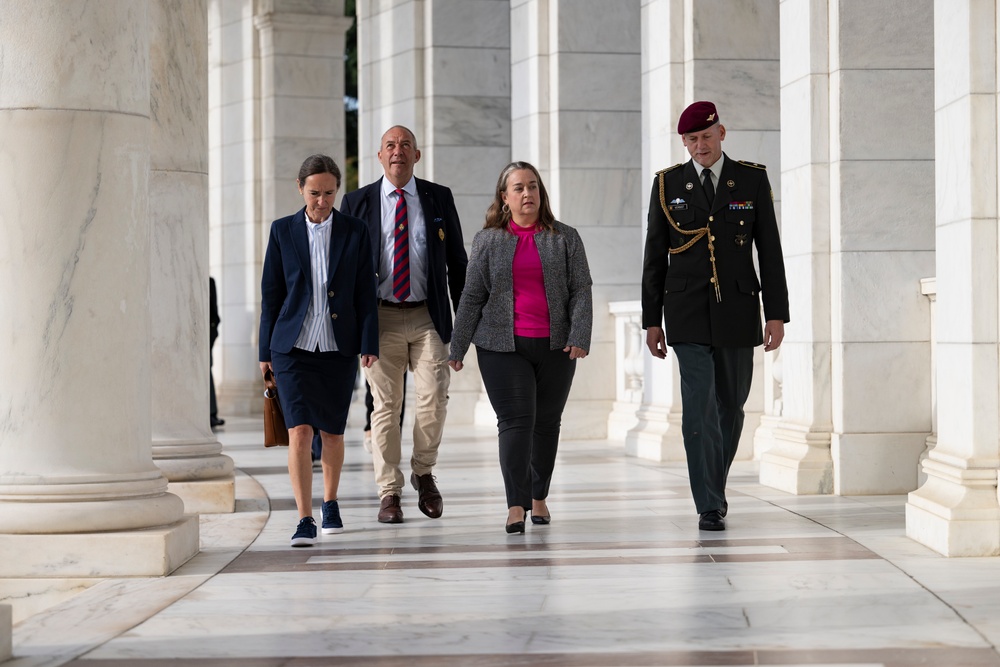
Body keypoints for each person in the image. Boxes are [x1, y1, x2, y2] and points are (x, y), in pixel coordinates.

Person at [641, 101, 789, 532]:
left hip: (739, 309)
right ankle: (708, 503)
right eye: (691, 140)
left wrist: (776, 312)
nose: (700, 146)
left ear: (721, 133)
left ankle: (714, 486)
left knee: (732, 406)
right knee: (698, 406)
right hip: (685, 311)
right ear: (683, 142)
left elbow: (770, 250)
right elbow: (654, 256)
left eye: (706, 137)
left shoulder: (751, 179)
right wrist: (652, 320)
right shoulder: (668, 184)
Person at [449, 161, 593, 534]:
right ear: (505, 197)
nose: (527, 193)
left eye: (533, 186)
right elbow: (472, 296)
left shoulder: (565, 237)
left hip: (556, 346)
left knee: (546, 424)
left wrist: (580, 334)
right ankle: (516, 504)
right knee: (515, 423)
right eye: (518, 188)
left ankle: (538, 496)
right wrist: (458, 346)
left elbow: (581, 290)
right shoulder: (488, 240)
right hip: (500, 347)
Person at [340, 126, 467, 524]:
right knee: (385, 408)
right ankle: (389, 493)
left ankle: (423, 473)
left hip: (428, 317)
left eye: (405, 145)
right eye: (390, 146)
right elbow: (344, 272)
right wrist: (354, 333)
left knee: (434, 399)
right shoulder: (356, 202)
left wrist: (462, 329)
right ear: (380, 156)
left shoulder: (438, 197)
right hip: (380, 319)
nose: (398, 151)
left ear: (417, 155)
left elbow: (457, 264)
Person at [259, 154, 379, 547]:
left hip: (337, 346)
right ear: (300, 188)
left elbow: (365, 293)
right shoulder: (281, 231)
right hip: (291, 347)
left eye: (329, 193)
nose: (322, 201)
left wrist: (369, 343)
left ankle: (330, 502)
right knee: (299, 430)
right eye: (314, 193)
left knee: (331, 432)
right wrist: (265, 352)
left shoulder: (355, 231)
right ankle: (304, 517)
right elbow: (272, 297)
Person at [209, 277, 224, 429]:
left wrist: (212, 335)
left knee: (207, 370)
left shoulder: (209, 282)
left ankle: (211, 413)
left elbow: (215, 314)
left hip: (205, 337)